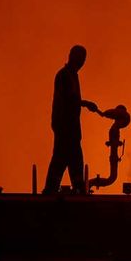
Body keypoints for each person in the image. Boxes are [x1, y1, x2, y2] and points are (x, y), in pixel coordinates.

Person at [42, 45, 99, 194]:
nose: (82, 61)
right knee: (66, 157)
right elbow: (69, 99)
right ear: (72, 56)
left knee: (69, 158)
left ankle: (72, 186)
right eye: (80, 57)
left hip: (70, 127)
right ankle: (59, 188)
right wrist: (86, 103)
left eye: (83, 58)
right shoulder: (64, 75)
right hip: (65, 126)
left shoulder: (71, 75)